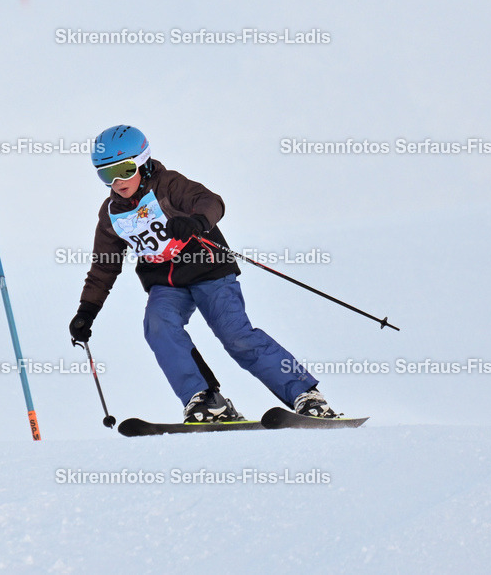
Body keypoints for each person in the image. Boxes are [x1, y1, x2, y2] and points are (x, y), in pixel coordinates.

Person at [69, 125, 338, 422]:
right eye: (107, 174)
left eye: (125, 169)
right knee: (158, 326)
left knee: (234, 335)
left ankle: (305, 395)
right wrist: (87, 311)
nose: (118, 181)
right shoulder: (111, 214)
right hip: (166, 283)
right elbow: (104, 265)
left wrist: (196, 221)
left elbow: (212, 202)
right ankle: (206, 400)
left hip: (208, 270)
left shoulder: (169, 185)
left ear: (143, 161)